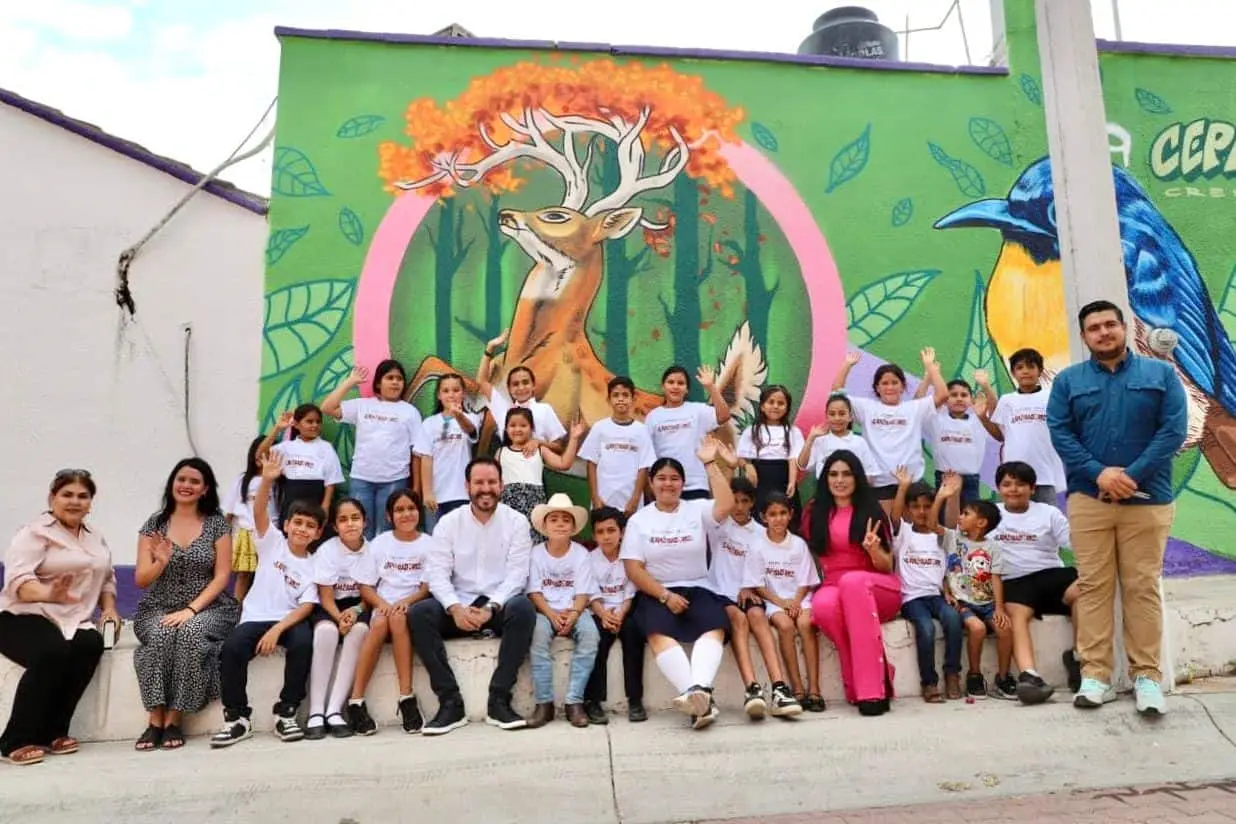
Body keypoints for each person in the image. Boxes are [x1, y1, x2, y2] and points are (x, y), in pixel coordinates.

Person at [1047, 299, 1187, 716]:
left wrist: (1131, 475)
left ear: (1124, 329)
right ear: (1085, 336)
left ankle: (1146, 677)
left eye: (1110, 325)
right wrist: (1099, 474)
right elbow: (1060, 432)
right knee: (1093, 586)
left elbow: (1173, 430)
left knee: (1142, 587)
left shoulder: (1160, 374)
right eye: (1095, 328)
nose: (1104, 333)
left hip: (1148, 499)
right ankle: (1096, 677)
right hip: (1090, 500)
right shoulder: (1069, 382)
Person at [0, 470, 121, 766]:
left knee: (89, 644)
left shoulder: (95, 537)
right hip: (21, 615)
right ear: (52, 498)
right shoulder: (33, 533)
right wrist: (48, 593)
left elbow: (107, 578)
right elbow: (19, 581)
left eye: (83, 496)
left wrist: (109, 609)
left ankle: (54, 731)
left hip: (72, 620)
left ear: (91, 503)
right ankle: (13, 741)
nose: (75, 501)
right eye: (67, 494)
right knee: (51, 653)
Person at [409, 456, 536, 735]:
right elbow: (437, 574)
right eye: (479, 482)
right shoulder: (448, 523)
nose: (486, 488)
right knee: (420, 614)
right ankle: (450, 702)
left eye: (492, 482)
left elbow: (517, 576)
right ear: (467, 486)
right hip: (459, 607)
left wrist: (491, 607)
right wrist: (455, 608)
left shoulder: (516, 522)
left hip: (497, 606)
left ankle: (499, 700)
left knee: (524, 609)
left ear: (501, 486)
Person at [620, 439, 735, 730]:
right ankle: (700, 699)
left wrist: (710, 464)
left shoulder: (696, 509)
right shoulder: (639, 521)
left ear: (683, 483)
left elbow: (727, 504)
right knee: (658, 634)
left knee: (715, 627)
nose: (668, 484)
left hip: (698, 587)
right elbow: (633, 568)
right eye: (661, 478)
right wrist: (664, 595)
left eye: (674, 479)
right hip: (656, 592)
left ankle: (699, 693)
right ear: (651, 482)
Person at [211, 452, 322, 748]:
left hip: (286, 620)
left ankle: (286, 711)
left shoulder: (314, 565)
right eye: (297, 522)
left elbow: (307, 606)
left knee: (302, 642)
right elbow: (259, 511)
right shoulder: (273, 543)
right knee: (232, 648)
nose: (302, 529)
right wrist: (267, 481)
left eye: (309, 526)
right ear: (286, 525)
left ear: (317, 533)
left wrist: (276, 630)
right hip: (255, 616)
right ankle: (237, 718)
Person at [132, 458, 240, 751]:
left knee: (190, 632)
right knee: (162, 634)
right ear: (172, 483)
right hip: (158, 606)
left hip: (209, 606)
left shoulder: (217, 524)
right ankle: (155, 719)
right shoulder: (154, 524)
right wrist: (160, 562)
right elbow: (141, 579)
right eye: (182, 479)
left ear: (205, 489)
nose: (186, 486)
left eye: (195, 482)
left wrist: (191, 609)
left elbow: (221, 577)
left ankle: (174, 719)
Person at [808, 450, 900, 717]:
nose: (840, 480)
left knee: (853, 582)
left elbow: (887, 565)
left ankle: (872, 692)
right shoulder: (815, 512)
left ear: (857, 477)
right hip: (834, 587)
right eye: (833, 474)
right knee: (823, 605)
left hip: (877, 587)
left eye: (846, 474)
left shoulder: (871, 511)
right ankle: (868, 678)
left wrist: (873, 550)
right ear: (825, 479)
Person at [706, 478, 803, 719]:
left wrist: (750, 587)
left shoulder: (761, 534)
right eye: (735, 500)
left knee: (757, 615)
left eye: (745, 501)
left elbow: (764, 567)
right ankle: (752, 689)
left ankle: (779, 687)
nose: (738, 506)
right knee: (739, 619)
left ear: (753, 504)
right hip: (719, 592)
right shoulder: (718, 525)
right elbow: (717, 490)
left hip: (751, 592)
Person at [989, 461, 1080, 706]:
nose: (1014, 489)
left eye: (1020, 484)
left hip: (1052, 575)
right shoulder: (990, 515)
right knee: (1016, 616)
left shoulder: (1048, 513)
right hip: (1014, 581)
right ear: (999, 488)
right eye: (1007, 484)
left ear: (1032, 488)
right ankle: (1030, 677)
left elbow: (1073, 543)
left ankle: (1080, 659)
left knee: (1085, 592)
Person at [348, 489, 433, 735]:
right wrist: (381, 604)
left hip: (411, 605)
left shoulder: (428, 544)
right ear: (388, 516)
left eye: (411, 508)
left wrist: (407, 601)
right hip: (383, 605)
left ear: (419, 512)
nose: (406, 514)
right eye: (399, 510)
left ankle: (406, 697)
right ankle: (356, 701)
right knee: (378, 624)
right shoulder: (380, 544)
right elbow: (365, 585)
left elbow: (427, 586)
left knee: (397, 619)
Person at [832, 348, 948, 506]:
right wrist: (847, 365)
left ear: (902, 386)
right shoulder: (866, 408)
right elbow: (836, 395)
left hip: (911, 483)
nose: (890, 387)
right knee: (886, 529)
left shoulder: (914, 408)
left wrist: (930, 368)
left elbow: (942, 395)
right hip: (879, 484)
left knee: (911, 529)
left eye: (895, 382)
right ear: (877, 388)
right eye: (884, 383)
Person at [322, 361, 423, 539]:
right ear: (378, 383)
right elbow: (327, 408)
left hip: (395, 480)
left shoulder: (410, 412)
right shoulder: (363, 405)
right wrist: (350, 381)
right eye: (389, 378)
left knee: (388, 531)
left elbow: (417, 452)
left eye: (399, 378)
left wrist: (415, 487)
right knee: (360, 530)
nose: (395, 382)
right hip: (362, 479)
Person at [525, 494, 600, 728]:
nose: (559, 524)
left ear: (573, 527)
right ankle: (544, 703)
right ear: (544, 525)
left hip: (575, 609)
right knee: (537, 638)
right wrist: (551, 615)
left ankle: (574, 702)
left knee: (590, 636)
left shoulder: (581, 554)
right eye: (554, 519)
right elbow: (534, 592)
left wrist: (575, 614)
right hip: (545, 610)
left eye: (565, 520)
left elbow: (583, 592)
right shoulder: (536, 553)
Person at [889, 471, 963, 702]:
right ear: (909, 510)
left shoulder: (940, 535)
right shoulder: (903, 534)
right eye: (916, 507)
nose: (922, 511)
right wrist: (903, 486)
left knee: (953, 619)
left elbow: (945, 570)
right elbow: (894, 515)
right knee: (926, 628)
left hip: (936, 595)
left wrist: (948, 592)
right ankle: (929, 683)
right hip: (911, 599)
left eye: (927, 506)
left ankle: (952, 674)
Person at [305, 498, 372, 739]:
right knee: (326, 631)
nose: (350, 524)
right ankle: (316, 711)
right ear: (335, 526)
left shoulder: (372, 550)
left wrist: (354, 613)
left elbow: (370, 593)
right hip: (331, 603)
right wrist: (339, 618)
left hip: (359, 604)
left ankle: (334, 710)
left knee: (361, 632)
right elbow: (325, 595)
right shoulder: (327, 550)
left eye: (355, 518)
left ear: (365, 521)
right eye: (343, 519)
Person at [755, 492, 824, 711]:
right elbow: (757, 584)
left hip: (800, 598)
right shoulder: (757, 546)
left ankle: (814, 689)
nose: (778, 519)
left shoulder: (798, 545)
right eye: (772, 514)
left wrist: (795, 601)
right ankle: (797, 689)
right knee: (785, 626)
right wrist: (782, 603)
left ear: (791, 514)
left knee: (805, 624)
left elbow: (806, 579)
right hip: (775, 601)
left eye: (783, 513)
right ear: (763, 517)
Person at [976, 350, 1067, 506]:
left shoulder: (1052, 398)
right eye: (1019, 367)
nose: (1025, 371)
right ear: (1013, 372)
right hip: (1014, 477)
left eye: (1031, 366)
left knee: (1046, 523)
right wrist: (983, 418)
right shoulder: (1007, 400)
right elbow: (1000, 435)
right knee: (1015, 523)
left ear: (1039, 371)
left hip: (1045, 474)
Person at [582, 508, 647, 724]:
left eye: (611, 530)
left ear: (622, 532)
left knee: (634, 638)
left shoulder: (630, 558)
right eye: (600, 532)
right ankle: (593, 701)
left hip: (624, 610)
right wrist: (603, 614)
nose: (606, 536)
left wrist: (620, 614)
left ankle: (635, 700)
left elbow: (630, 591)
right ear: (594, 535)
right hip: (599, 610)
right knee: (596, 643)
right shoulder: (588, 559)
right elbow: (589, 592)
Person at [645, 366, 731, 500]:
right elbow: (648, 454)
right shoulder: (653, 417)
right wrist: (650, 485)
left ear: (687, 389)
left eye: (680, 383)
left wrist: (710, 387)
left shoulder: (697, 410)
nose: (675, 386)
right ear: (663, 386)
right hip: (665, 485)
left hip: (696, 485)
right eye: (671, 382)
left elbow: (724, 416)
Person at [496, 408, 584, 537]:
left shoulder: (540, 450)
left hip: (534, 508)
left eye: (523, 425)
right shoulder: (500, 453)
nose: (518, 429)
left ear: (532, 429)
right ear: (506, 429)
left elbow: (564, 463)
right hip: (508, 508)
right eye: (512, 425)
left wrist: (574, 438)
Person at [414, 373, 483, 533]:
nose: (451, 394)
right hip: (435, 498)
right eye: (445, 391)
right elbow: (426, 458)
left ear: (463, 394)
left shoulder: (471, 417)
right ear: (439, 395)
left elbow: (470, 430)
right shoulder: (429, 423)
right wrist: (427, 493)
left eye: (456, 390)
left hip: (462, 494)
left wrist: (458, 414)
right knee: (436, 543)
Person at [579, 376, 657, 518]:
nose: (620, 399)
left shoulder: (641, 430)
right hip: (603, 501)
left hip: (630, 504)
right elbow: (591, 464)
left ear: (633, 400)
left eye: (625, 395)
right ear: (608, 400)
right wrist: (595, 498)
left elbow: (643, 468)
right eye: (616, 395)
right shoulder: (599, 428)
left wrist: (635, 499)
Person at [478, 329, 568, 443]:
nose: (521, 388)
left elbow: (559, 446)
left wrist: (539, 443)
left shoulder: (544, 410)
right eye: (515, 384)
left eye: (525, 382)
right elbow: (482, 381)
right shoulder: (503, 409)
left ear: (533, 385)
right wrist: (490, 347)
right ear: (509, 389)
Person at [260, 404, 345, 524]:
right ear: (296, 424)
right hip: (291, 501)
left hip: (316, 499)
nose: (315, 425)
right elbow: (260, 456)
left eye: (318, 422)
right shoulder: (286, 448)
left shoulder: (326, 448)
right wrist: (277, 429)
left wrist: (325, 506)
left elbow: (330, 481)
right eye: (309, 421)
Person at [736, 385, 805, 526]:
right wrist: (748, 466)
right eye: (771, 402)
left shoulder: (792, 431)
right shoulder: (752, 430)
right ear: (762, 406)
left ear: (787, 407)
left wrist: (792, 481)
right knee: (761, 519)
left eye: (781, 403)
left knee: (785, 518)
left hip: (783, 479)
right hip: (760, 480)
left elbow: (793, 458)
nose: (775, 406)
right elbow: (740, 457)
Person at [918, 376, 990, 503]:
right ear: (945, 400)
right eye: (953, 395)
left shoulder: (980, 420)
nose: (959, 398)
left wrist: (986, 386)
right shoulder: (936, 419)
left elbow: (994, 410)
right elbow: (918, 406)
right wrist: (928, 378)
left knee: (970, 520)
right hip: (945, 479)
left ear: (971, 400)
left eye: (964, 395)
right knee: (945, 521)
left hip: (971, 481)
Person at [222, 435, 275, 601]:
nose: (263, 458)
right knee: (244, 574)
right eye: (260, 454)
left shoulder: (278, 481)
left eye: (269, 453)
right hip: (246, 533)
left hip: (270, 534)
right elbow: (229, 511)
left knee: (267, 574)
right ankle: (237, 609)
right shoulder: (242, 480)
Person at [797, 393, 879, 486]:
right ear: (827, 417)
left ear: (850, 417)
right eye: (832, 414)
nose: (837, 418)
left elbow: (871, 475)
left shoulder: (859, 442)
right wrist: (810, 438)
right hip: (825, 494)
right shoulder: (820, 441)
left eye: (842, 413)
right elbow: (802, 465)